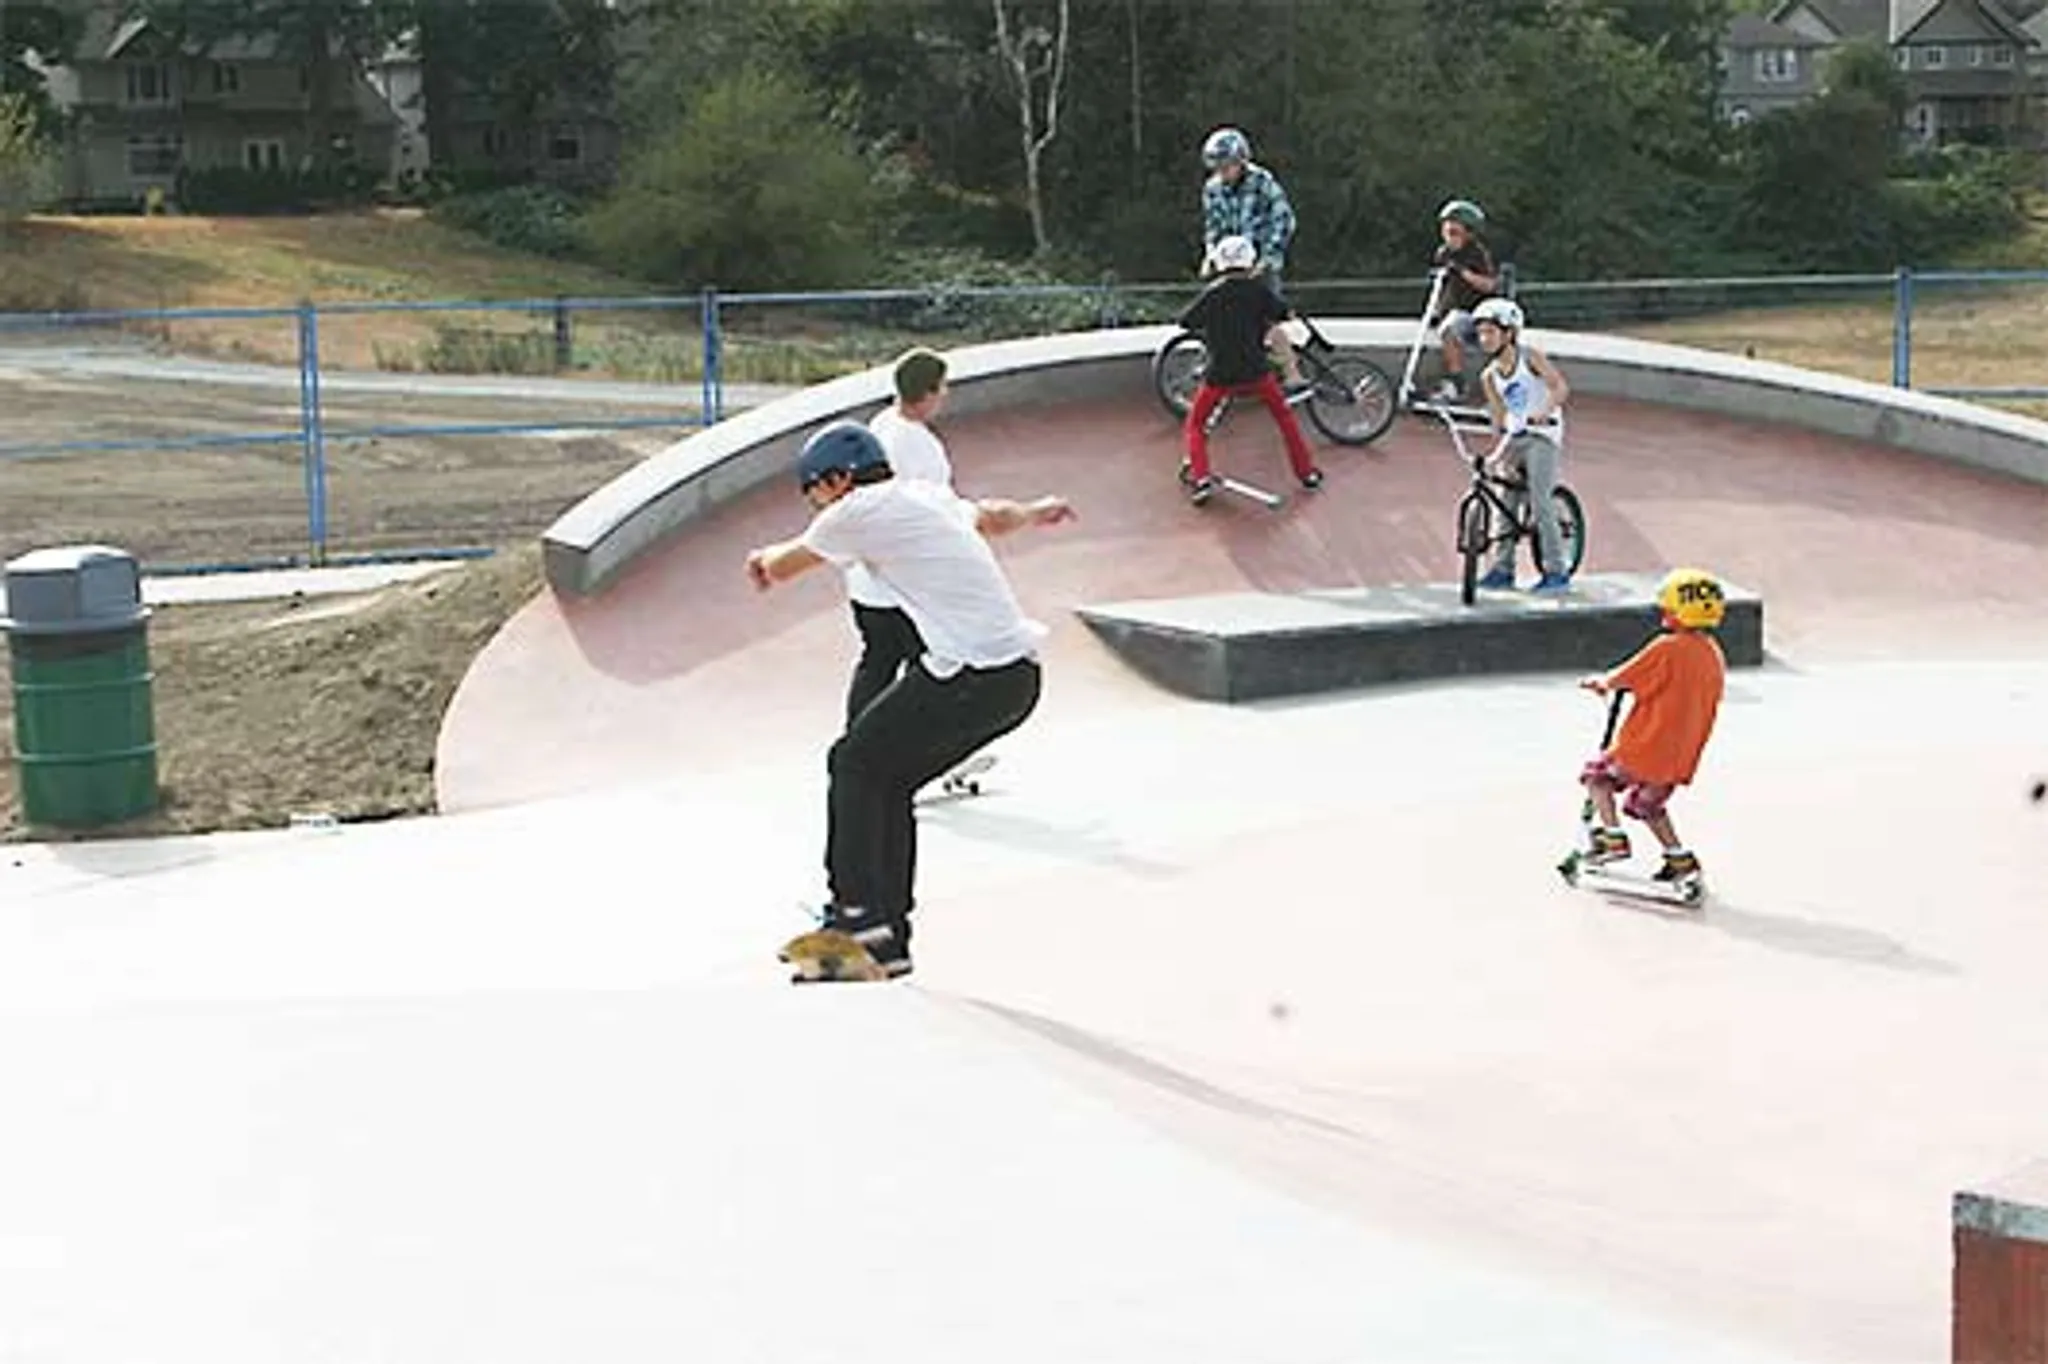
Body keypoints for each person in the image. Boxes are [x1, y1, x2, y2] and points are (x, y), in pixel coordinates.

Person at [744, 420, 1076, 979]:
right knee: (887, 780)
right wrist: (1038, 509)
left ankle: (853, 919)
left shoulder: (854, 511)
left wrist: (763, 559)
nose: (816, 509)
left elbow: (784, 564)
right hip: (1016, 677)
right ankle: (887, 938)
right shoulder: (927, 495)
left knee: (850, 762)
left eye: (814, 496)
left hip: (973, 676)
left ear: (836, 481)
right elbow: (993, 515)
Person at [1576, 566, 1729, 888]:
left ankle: (1612, 838)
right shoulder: (1713, 654)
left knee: (1598, 777)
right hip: (1680, 755)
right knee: (1648, 805)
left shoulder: (1667, 647)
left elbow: (1630, 674)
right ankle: (1679, 860)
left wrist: (1603, 683)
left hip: (1645, 746)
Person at [843, 346, 955, 724]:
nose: (945, 396)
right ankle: (918, 741)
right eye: (941, 389)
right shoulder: (917, 445)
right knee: (928, 662)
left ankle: (856, 738)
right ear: (925, 394)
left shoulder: (880, 425)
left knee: (878, 659)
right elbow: (930, 512)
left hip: (865, 579)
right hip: (903, 583)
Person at [1177, 233, 1323, 504]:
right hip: (1257, 373)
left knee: (1196, 424)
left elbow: (1185, 321)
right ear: (1249, 261)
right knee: (1284, 418)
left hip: (1219, 375)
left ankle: (1201, 478)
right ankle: (1307, 473)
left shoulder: (1213, 294)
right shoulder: (1258, 291)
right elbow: (1283, 313)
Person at [1472, 296, 1572, 593]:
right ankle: (1502, 570)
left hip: (1542, 435)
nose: (1484, 339)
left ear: (1510, 333)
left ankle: (1557, 571)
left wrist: (1543, 412)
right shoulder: (1489, 376)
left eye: (1491, 332)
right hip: (1515, 438)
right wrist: (1498, 448)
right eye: (1481, 333)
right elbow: (1498, 416)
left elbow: (1560, 387)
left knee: (1540, 501)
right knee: (1505, 502)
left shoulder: (1530, 358)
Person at [1199, 125, 1304, 392]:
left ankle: (1292, 374)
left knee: (1266, 319)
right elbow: (1214, 227)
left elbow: (1285, 220)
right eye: (1217, 166)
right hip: (1231, 263)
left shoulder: (1262, 182)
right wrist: (1211, 255)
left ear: (1241, 161)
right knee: (1223, 313)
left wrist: (1267, 258)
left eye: (1227, 165)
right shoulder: (1212, 189)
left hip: (1260, 262)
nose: (1222, 172)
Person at [1429, 197, 1502, 402]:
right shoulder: (1443, 253)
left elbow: (1489, 284)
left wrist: (1464, 273)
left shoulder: (1477, 254)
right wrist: (1437, 311)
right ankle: (1456, 381)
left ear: (1468, 233)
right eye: (1446, 231)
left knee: (1452, 325)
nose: (1449, 237)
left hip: (1482, 316)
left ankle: (1499, 390)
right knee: (1448, 328)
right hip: (1459, 314)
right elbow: (1444, 288)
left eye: (1454, 232)